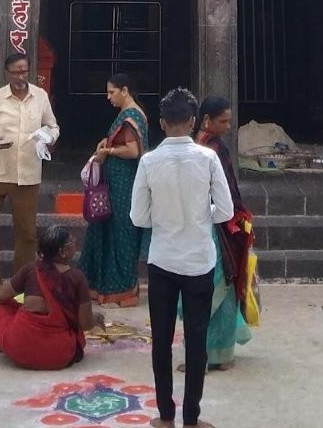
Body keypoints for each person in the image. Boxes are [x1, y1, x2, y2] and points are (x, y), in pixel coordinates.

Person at [131, 86, 234, 428]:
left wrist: (165, 217)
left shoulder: (148, 161)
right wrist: (200, 213)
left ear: (162, 123)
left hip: (162, 260)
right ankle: (192, 417)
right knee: (197, 339)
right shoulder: (208, 158)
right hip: (198, 261)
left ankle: (165, 416)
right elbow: (226, 211)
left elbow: (138, 218)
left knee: (161, 340)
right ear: (192, 121)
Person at [0, 50, 60, 296]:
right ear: (7, 73)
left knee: (27, 233)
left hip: (27, 174)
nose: (21, 75)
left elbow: (53, 125)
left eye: (24, 71)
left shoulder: (40, 96)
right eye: (16, 71)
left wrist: (48, 137)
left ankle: (19, 288)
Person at [193, 96, 254, 370]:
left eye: (230, 120)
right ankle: (216, 354)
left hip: (210, 223)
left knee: (216, 286)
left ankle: (209, 354)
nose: (228, 126)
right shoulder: (210, 148)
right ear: (207, 120)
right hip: (211, 224)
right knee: (215, 286)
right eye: (223, 121)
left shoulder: (207, 146)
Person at [78, 72, 149, 306]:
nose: (108, 97)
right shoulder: (127, 114)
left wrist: (108, 152)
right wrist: (106, 144)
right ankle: (106, 286)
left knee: (122, 232)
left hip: (124, 182)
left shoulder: (131, 116)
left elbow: (133, 151)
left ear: (125, 91)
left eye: (112, 92)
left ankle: (123, 287)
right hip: (115, 181)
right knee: (110, 229)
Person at [0, 222, 95, 370]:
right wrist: (94, 319)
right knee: (75, 329)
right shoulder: (77, 277)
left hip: (19, 350)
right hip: (59, 355)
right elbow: (85, 324)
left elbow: (0, 297)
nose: (75, 244)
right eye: (72, 242)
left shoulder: (30, 269)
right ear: (62, 252)